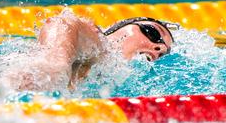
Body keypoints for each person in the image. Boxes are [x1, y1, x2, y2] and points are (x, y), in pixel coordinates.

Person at [11, 10, 174, 91]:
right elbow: (64, 23)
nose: (159, 47)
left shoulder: (114, 79)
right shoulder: (99, 44)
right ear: (116, 29)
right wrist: (55, 63)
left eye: (164, 53)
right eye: (152, 33)